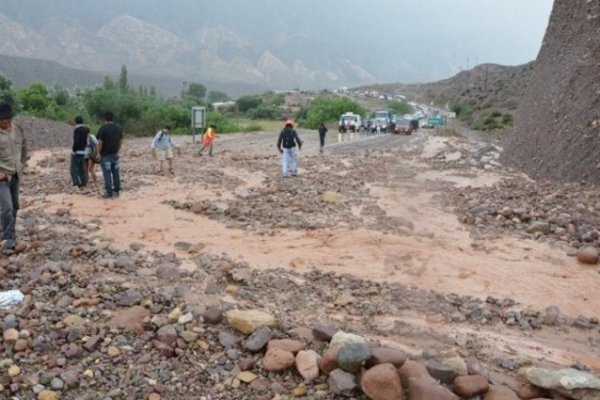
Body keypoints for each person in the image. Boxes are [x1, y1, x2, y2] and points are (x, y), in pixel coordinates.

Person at [0, 102, 28, 252]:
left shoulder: (17, 129)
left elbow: (24, 146)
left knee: (15, 206)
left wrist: (22, 162)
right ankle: (9, 238)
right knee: (7, 207)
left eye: (8, 118)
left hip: (16, 174)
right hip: (2, 177)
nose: (5, 121)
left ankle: (4, 229)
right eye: (2, 119)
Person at [96, 111, 123, 198]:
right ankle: (117, 190)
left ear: (105, 118)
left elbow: (100, 142)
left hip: (105, 155)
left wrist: (98, 153)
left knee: (107, 174)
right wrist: (117, 150)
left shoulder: (103, 128)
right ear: (113, 118)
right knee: (116, 173)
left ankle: (109, 192)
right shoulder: (118, 128)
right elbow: (121, 141)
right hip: (115, 154)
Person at [70, 116, 89, 188]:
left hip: (77, 152)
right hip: (84, 151)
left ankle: (76, 182)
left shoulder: (77, 130)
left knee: (73, 168)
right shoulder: (86, 129)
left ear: (75, 122)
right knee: (81, 168)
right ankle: (83, 182)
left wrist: (73, 150)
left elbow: (76, 142)